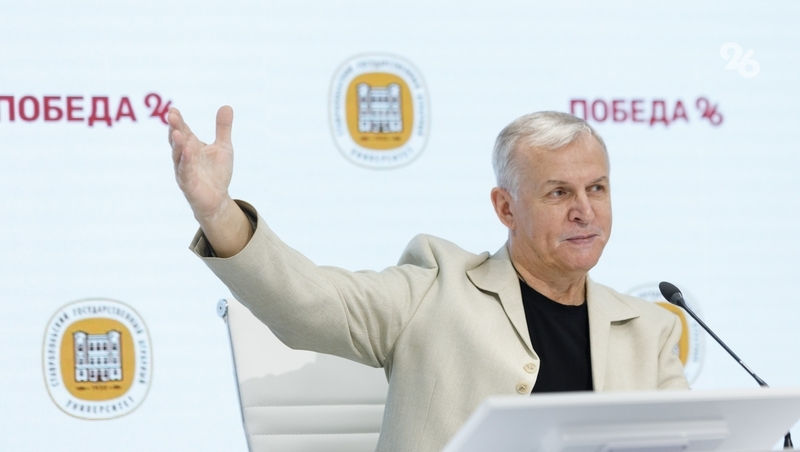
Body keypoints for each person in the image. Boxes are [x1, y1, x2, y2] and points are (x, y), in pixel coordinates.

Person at [168, 107, 689, 452]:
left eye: (596, 188)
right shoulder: (436, 287)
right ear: (505, 208)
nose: (584, 211)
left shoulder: (649, 329)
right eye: (558, 193)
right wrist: (218, 214)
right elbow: (309, 304)